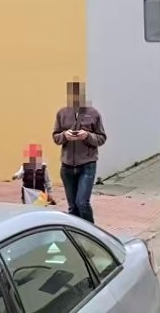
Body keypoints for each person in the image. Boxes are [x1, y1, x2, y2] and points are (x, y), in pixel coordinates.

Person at [52, 80, 106, 224]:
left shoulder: (93, 114)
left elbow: (101, 138)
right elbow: (56, 137)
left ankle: (91, 232)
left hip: (87, 165)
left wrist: (87, 136)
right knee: (73, 207)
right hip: (67, 167)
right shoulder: (62, 113)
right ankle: (76, 233)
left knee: (82, 202)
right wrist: (65, 135)